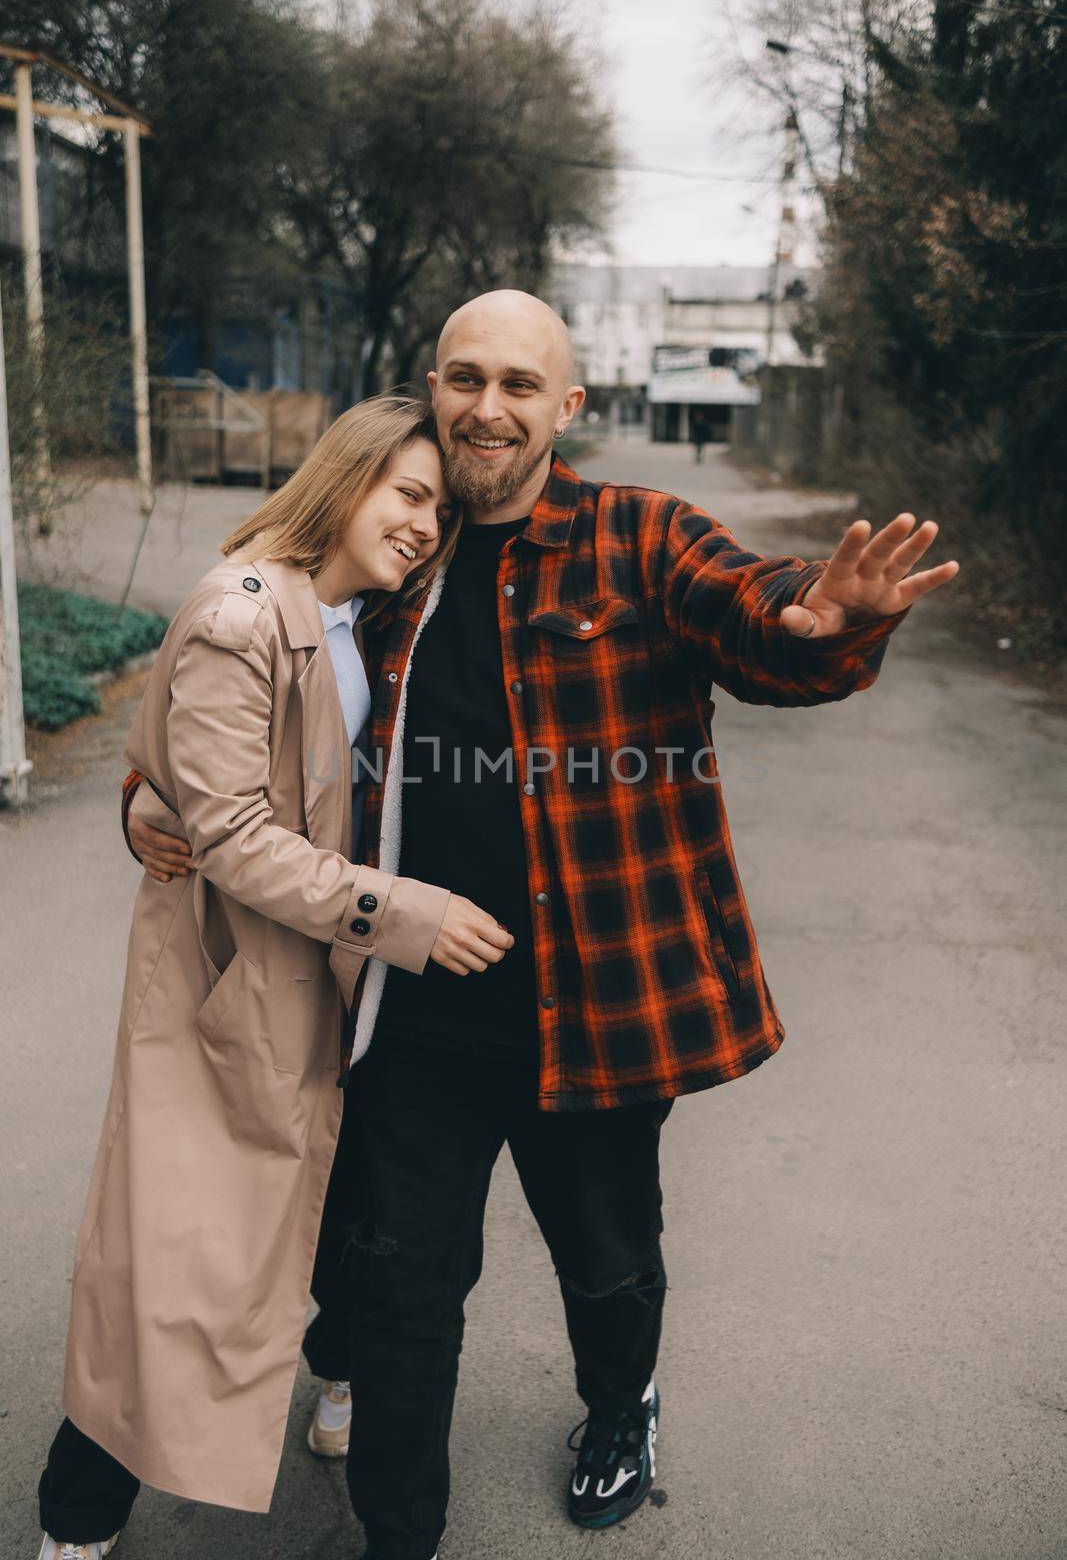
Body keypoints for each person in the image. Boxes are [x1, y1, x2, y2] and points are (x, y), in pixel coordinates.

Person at [129, 291, 959, 1560]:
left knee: (607, 1264)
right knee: (405, 1287)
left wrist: (822, 614)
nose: (488, 407)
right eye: (465, 378)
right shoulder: (396, 548)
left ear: (565, 409)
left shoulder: (639, 537)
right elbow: (254, 677)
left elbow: (758, 617)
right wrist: (149, 793)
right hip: (410, 1011)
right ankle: (397, 1536)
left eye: (521, 384)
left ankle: (620, 1410)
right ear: (434, 387)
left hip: (600, 1010)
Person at [34, 395, 515, 1560]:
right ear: (344, 476)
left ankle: (338, 1377)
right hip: (230, 993)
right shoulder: (242, 612)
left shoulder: (363, 622)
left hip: (328, 992)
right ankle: (75, 1522)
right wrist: (407, 913)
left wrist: (148, 792)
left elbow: (219, 778)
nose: (420, 525)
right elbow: (239, 833)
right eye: (405, 494)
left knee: (340, 1215)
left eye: (436, 511)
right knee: (174, 1265)